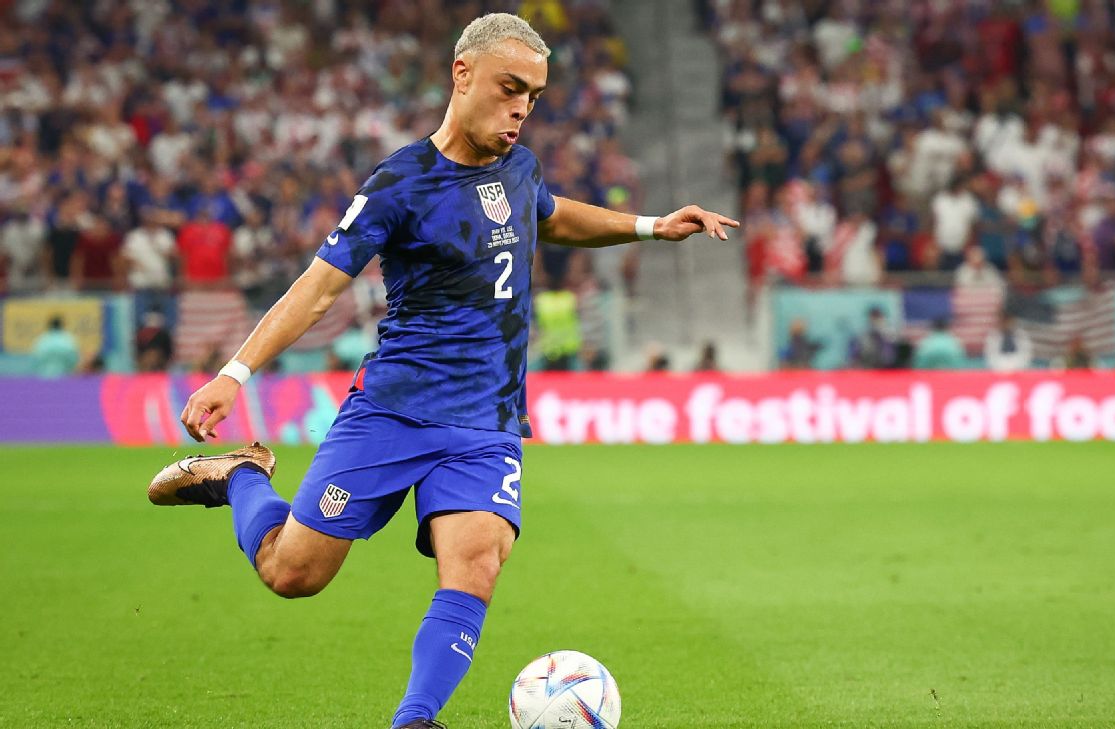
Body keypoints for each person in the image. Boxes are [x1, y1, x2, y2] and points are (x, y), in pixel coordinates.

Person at [144, 15, 738, 729]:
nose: (522, 107)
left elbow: (548, 216)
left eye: (535, 95)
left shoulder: (520, 168)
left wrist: (648, 225)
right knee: (291, 573)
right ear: (462, 74)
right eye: (510, 88)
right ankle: (242, 474)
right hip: (394, 411)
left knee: (476, 567)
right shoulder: (400, 183)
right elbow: (319, 286)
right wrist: (234, 373)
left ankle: (414, 720)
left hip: (486, 422)